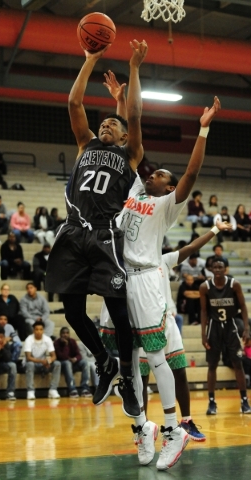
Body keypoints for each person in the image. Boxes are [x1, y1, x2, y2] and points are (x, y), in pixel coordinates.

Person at [101, 72, 220, 469]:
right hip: (119, 277)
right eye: (152, 174)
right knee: (124, 363)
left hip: (148, 279)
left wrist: (201, 132)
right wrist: (120, 102)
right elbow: (127, 146)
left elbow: (190, 175)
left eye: (160, 176)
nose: (152, 176)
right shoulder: (135, 190)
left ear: (169, 189)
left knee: (156, 360)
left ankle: (173, 430)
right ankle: (142, 430)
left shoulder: (168, 204)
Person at [45, 40, 148, 418]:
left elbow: (133, 115)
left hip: (105, 235)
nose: (106, 124)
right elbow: (75, 104)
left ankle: (126, 379)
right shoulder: (86, 144)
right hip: (73, 232)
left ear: (123, 137)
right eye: (104, 121)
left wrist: (134, 69)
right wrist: (89, 60)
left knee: (119, 316)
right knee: (71, 310)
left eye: (113, 124)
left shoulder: (130, 154)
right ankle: (104, 361)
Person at [139, 220, 232, 441]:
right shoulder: (131, 265)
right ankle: (142, 427)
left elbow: (191, 248)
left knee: (180, 372)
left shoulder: (164, 260)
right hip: (143, 323)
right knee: (141, 379)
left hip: (168, 322)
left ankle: (186, 421)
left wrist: (216, 229)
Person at [200, 258, 251, 414]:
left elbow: (242, 306)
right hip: (214, 327)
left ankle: (244, 401)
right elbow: (204, 311)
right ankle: (211, 402)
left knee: (238, 364)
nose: (217, 269)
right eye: (214, 267)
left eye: (220, 267)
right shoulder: (205, 287)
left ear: (225, 269)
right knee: (212, 365)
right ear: (211, 269)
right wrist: (203, 334)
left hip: (231, 326)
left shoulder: (234, 284)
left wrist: (247, 328)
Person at [24, 320, 61, 400]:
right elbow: (28, 357)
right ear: (33, 330)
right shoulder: (28, 340)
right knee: (29, 364)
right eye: (36, 329)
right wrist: (42, 361)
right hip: (33, 364)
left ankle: (53, 389)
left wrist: (48, 361)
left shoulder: (47, 339)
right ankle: (30, 391)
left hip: (44, 364)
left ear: (43, 330)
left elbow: (54, 356)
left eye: (41, 329)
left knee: (57, 364)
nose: (38, 331)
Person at [54, 327, 92, 398]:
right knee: (67, 363)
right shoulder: (57, 343)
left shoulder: (73, 341)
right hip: (63, 366)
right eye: (63, 333)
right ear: (60, 334)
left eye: (67, 333)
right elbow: (62, 357)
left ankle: (85, 389)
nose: (65, 335)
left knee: (85, 362)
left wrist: (75, 359)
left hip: (73, 364)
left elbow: (79, 355)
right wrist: (65, 345)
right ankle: (72, 389)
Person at [0, 326, 17, 401]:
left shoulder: (5, 344)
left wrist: (3, 348)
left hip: (2, 365)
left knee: (12, 365)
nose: (0, 339)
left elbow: (8, 358)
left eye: (1, 337)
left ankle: (10, 392)